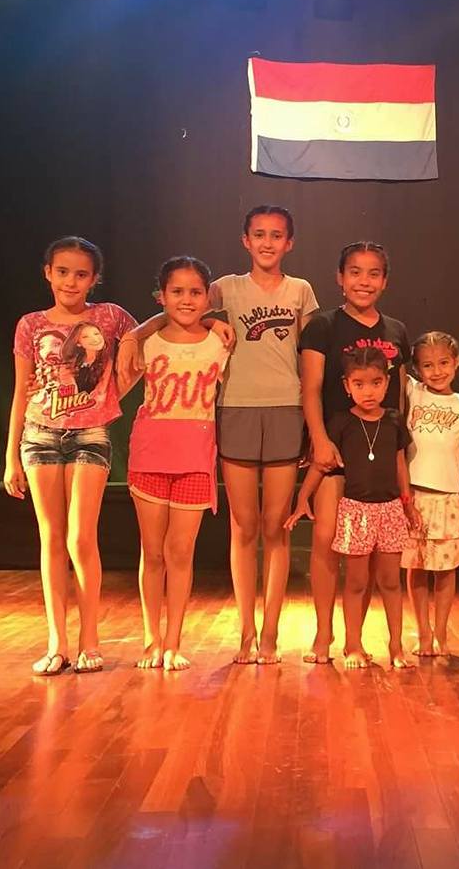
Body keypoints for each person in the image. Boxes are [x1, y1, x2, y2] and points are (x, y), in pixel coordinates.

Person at [119, 205, 318, 664]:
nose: (267, 242)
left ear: (289, 242)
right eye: (259, 234)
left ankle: (270, 635)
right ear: (245, 240)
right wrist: (133, 336)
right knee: (244, 526)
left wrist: (312, 420)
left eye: (277, 235)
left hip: (285, 409)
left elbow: (310, 357)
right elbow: (175, 311)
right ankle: (246, 633)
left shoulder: (301, 290)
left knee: (275, 526)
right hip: (235, 410)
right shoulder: (224, 288)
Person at [4, 237, 136, 675]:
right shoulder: (30, 324)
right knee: (52, 538)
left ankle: (89, 639)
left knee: (81, 538)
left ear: (94, 279)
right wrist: (10, 457)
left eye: (81, 274)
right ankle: (57, 641)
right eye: (62, 272)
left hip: (90, 435)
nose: (71, 282)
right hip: (39, 434)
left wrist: (112, 395)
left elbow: (147, 337)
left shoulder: (110, 317)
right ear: (48, 272)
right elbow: (20, 391)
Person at [299, 241, 410, 664]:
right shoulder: (323, 326)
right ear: (340, 278)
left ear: (385, 280)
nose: (364, 281)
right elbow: (311, 388)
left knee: (369, 556)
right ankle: (323, 634)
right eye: (355, 272)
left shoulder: (396, 330)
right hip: (336, 449)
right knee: (327, 540)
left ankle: (355, 640)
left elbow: (399, 397)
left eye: (373, 273)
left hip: (378, 451)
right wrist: (319, 440)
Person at [126, 257, 230, 671]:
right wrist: (133, 335)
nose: (186, 300)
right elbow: (114, 388)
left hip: (195, 459)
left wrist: (213, 323)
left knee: (181, 552)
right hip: (150, 455)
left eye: (195, 292)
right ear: (162, 296)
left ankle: (173, 641)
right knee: (152, 552)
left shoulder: (221, 342)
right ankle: (151, 638)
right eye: (177, 292)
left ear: (208, 298)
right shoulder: (146, 343)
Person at [286, 347, 419, 669]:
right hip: (355, 511)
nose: (368, 391)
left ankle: (396, 646)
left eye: (376, 383)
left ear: (387, 383)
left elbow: (400, 463)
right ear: (347, 386)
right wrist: (303, 498)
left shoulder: (394, 421)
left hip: (390, 509)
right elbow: (322, 465)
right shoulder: (341, 423)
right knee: (356, 582)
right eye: (359, 384)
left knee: (391, 581)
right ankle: (353, 644)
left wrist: (407, 502)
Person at [402, 332, 459, 657]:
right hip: (414, 497)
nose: (437, 371)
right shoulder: (413, 391)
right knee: (417, 567)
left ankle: (442, 632)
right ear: (417, 369)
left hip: (448, 497)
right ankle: (423, 631)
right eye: (427, 365)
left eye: (444, 363)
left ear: (457, 362)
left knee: (446, 570)